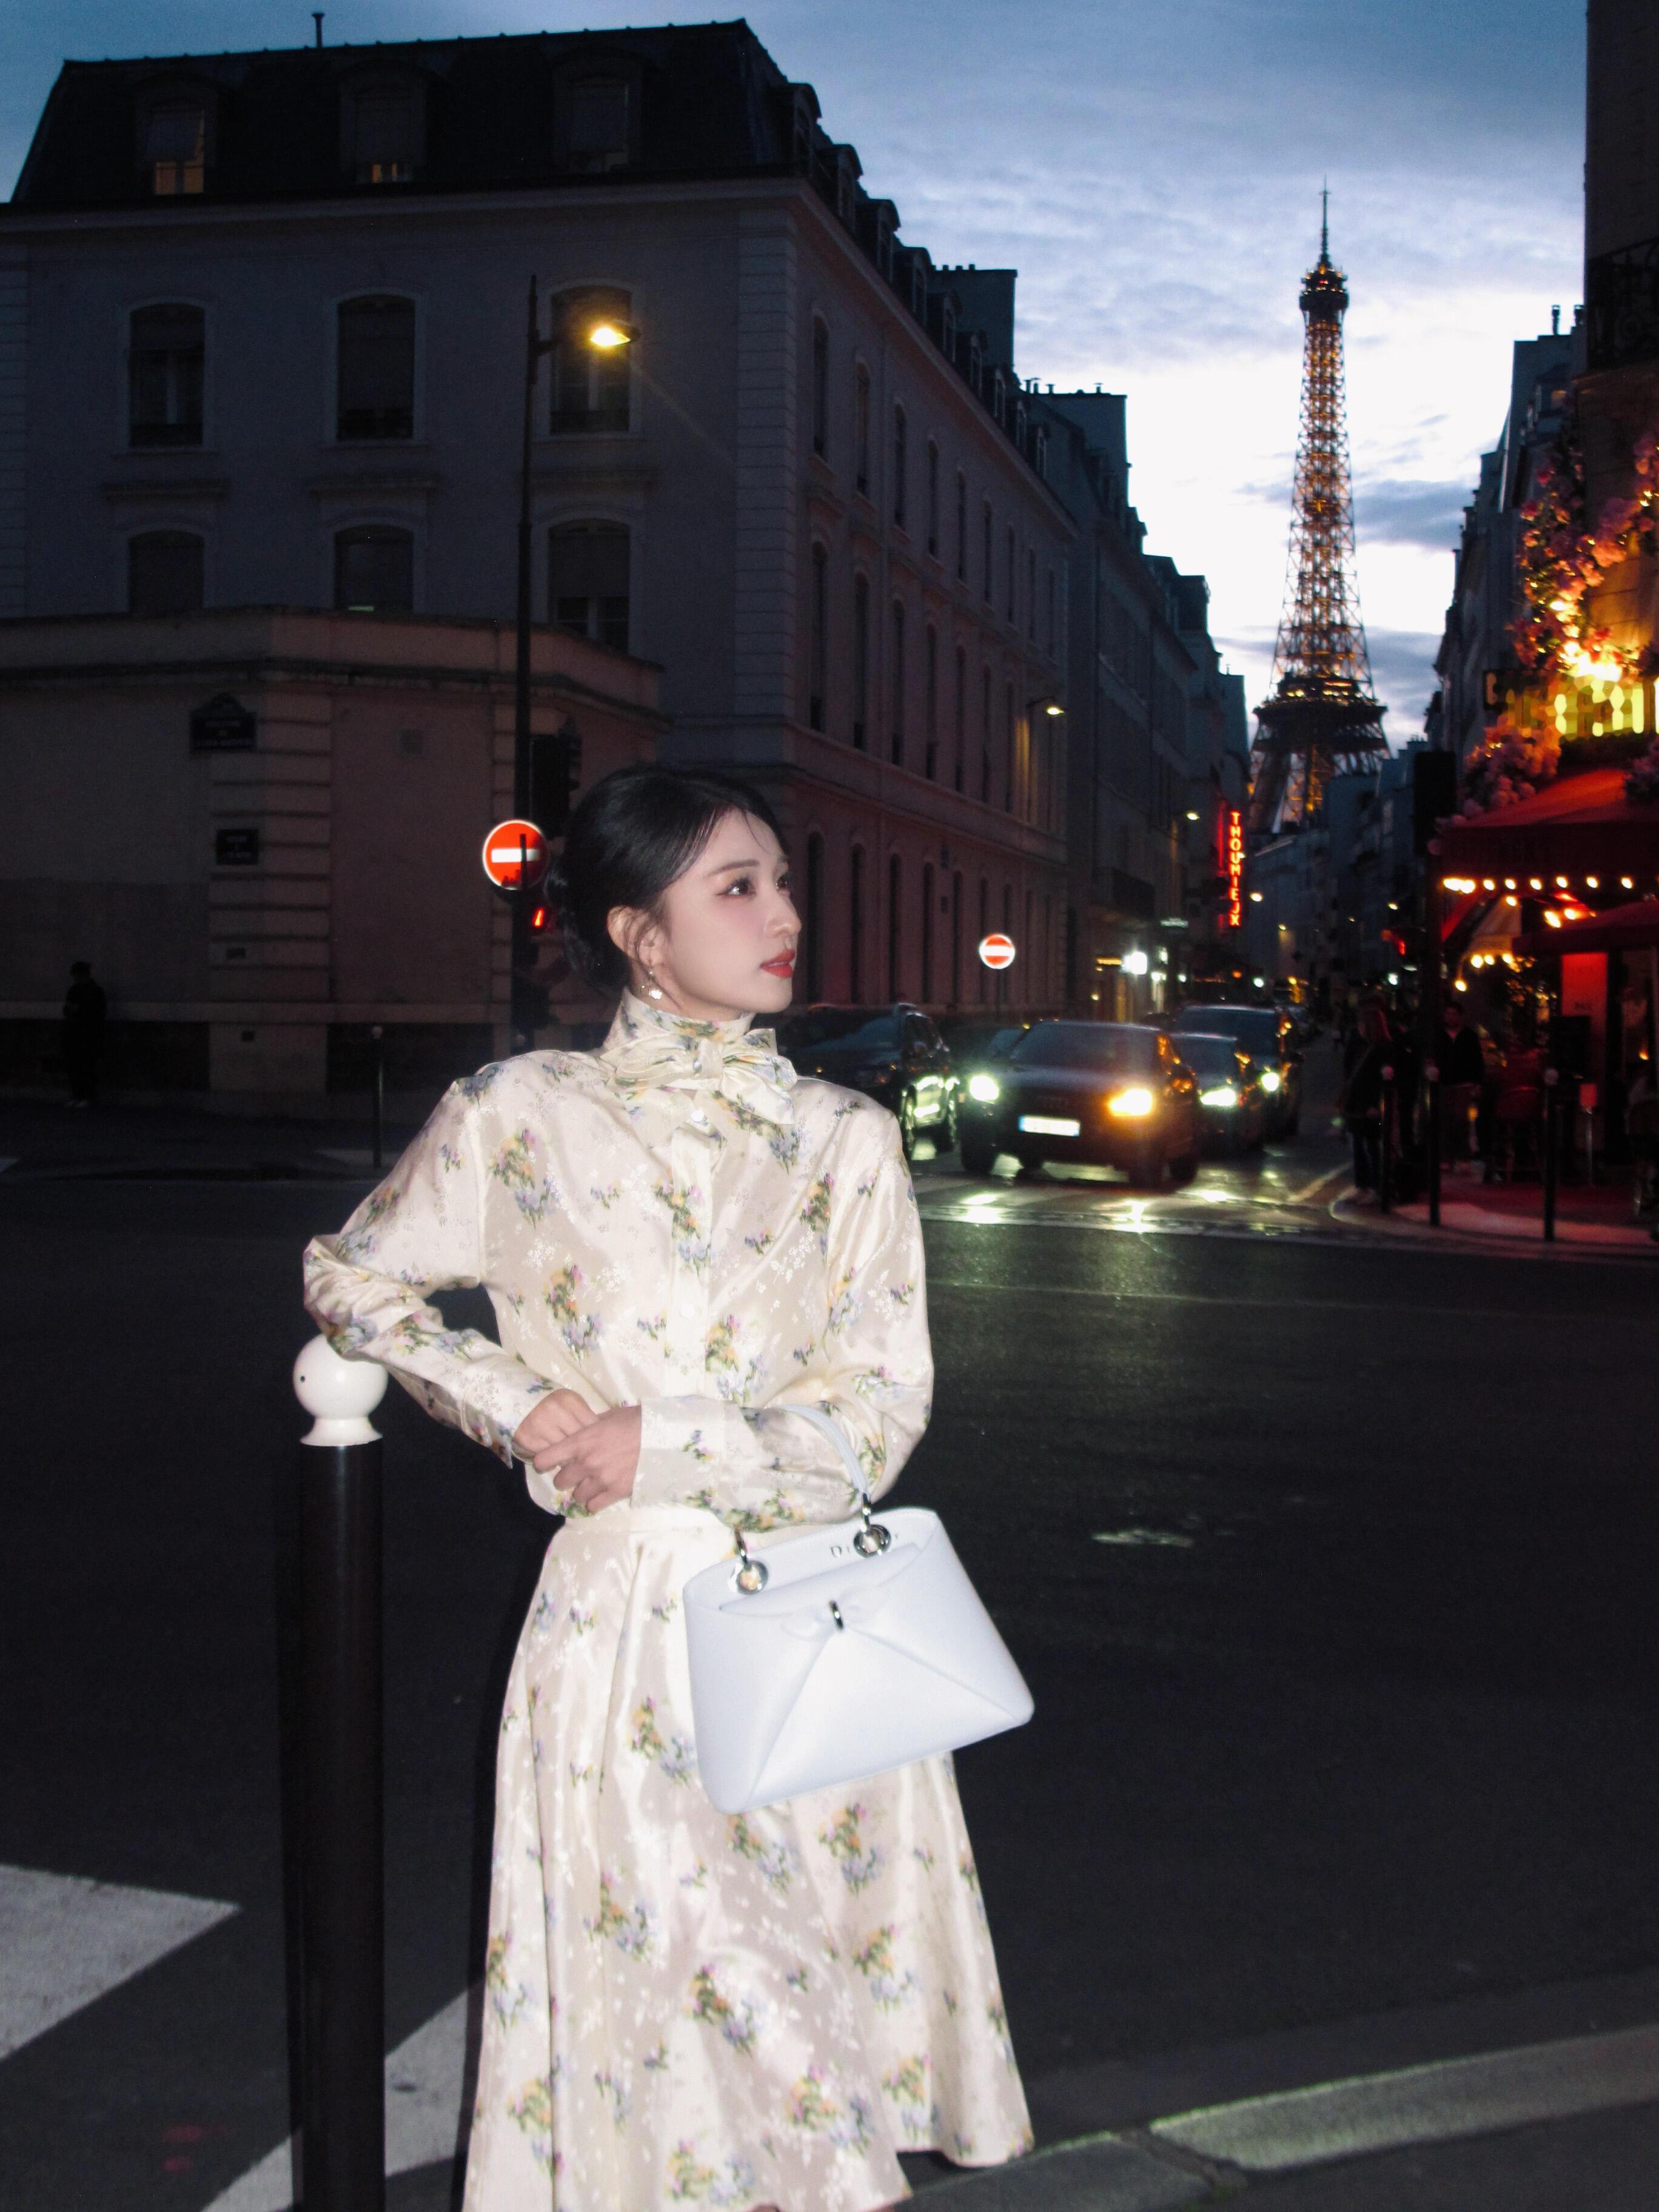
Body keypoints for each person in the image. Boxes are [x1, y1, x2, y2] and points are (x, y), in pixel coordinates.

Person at [303, 763, 1032, 2212]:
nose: (785, 916)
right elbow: (352, 1275)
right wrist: (522, 1407)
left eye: (781, 882)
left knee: (794, 1992)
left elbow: (881, 1405)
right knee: (694, 1995)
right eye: (737, 887)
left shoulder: (844, 1138)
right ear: (641, 937)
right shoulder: (520, 1114)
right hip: (624, 1628)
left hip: (810, 1621)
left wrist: (671, 1440)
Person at [1339, 999, 1392, 1194]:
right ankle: (1363, 1185)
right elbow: (1349, 1068)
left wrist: (1375, 1104)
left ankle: (1375, 1187)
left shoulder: (1381, 1048)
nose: (1359, 1027)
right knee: (1358, 1144)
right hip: (1357, 1101)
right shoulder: (1359, 1043)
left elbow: (1380, 1080)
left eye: (1362, 1023)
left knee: (1371, 1145)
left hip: (1369, 1103)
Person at [1435, 999, 1484, 1168]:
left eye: (1454, 1014)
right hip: (1444, 1082)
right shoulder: (1440, 1036)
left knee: (1461, 1119)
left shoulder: (1469, 1036)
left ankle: (1462, 1155)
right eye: (1448, 1014)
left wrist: (1477, 1082)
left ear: (1460, 1017)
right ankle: (1447, 1156)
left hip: (1463, 1083)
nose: (1450, 1018)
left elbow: (1477, 1060)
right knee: (1445, 1119)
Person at [61, 959, 107, 1108]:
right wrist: (71, 1010)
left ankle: (88, 1096)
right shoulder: (74, 990)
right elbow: (67, 1009)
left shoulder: (95, 991)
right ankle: (77, 1095)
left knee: (87, 1066)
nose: (75, 978)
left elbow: (99, 1013)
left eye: (77, 975)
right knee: (74, 1066)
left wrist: (80, 1010)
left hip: (89, 1034)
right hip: (74, 1033)